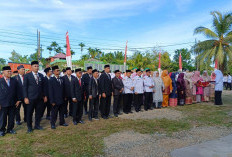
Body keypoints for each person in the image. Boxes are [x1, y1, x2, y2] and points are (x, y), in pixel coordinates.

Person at [23, 61, 48, 133]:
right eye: (35, 66)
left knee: (39, 113)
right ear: (31, 67)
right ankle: (29, 127)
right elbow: (24, 87)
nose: (36, 67)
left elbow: (43, 87)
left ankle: (37, 125)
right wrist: (25, 97)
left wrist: (45, 96)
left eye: (37, 66)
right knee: (29, 113)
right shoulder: (27, 76)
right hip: (30, 98)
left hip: (40, 98)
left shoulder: (41, 75)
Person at [0, 66, 21, 136]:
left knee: (11, 117)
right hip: (3, 103)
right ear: (3, 72)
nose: (10, 72)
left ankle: (10, 129)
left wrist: (18, 100)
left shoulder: (14, 81)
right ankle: (2, 130)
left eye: (10, 71)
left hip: (13, 102)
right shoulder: (0, 81)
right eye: (8, 71)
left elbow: (18, 91)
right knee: (3, 118)